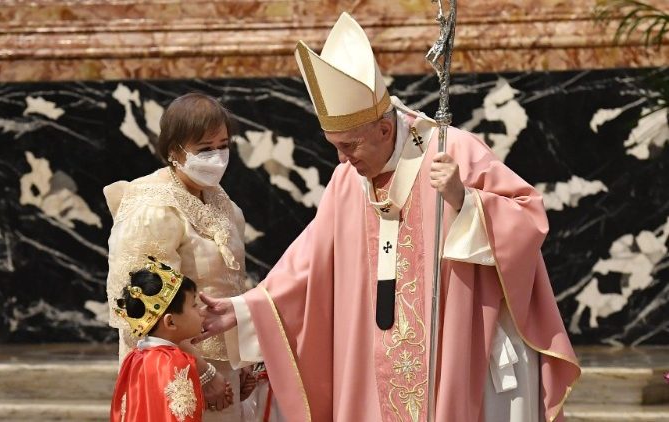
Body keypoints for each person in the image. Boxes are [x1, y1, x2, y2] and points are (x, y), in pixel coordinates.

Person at [196, 13, 581, 422]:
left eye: (349, 146)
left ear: (383, 128)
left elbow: (528, 219)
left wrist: (464, 201)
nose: (342, 160)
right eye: (334, 147)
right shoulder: (347, 180)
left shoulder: (454, 151)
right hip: (369, 368)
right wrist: (243, 310)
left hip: (455, 358)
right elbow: (307, 265)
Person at [104, 93, 254, 419]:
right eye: (205, 149)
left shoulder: (222, 203)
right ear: (175, 151)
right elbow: (142, 313)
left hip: (226, 369)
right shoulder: (150, 208)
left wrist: (243, 359)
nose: (217, 156)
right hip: (174, 371)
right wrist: (203, 373)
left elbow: (233, 285)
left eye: (223, 145)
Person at [111, 256, 213, 421]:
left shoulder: (134, 357)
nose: (200, 311)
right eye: (194, 305)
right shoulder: (176, 361)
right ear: (170, 321)